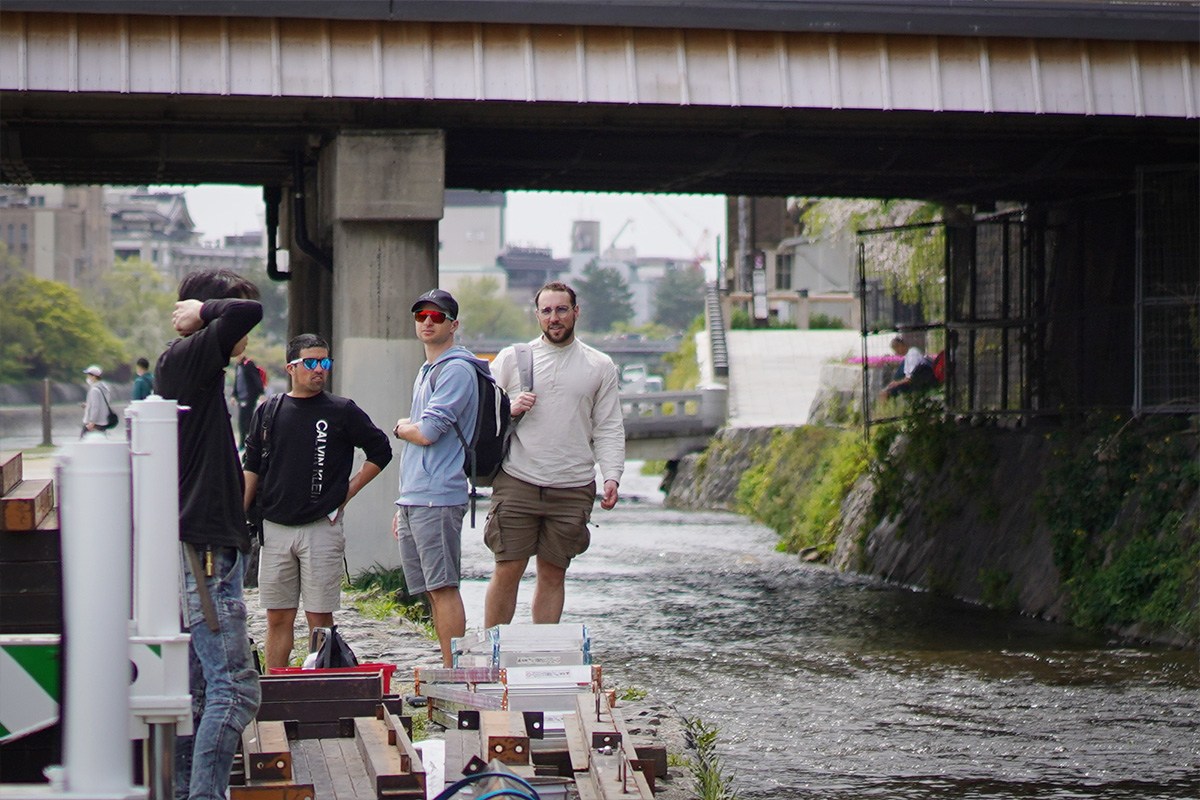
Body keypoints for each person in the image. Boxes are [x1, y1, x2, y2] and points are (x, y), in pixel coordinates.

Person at [155, 268, 263, 800]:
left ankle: (184, 792)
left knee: (200, 690)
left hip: (207, 542)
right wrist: (206, 312)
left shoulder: (190, 366)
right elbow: (245, 312)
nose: (247, 336)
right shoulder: (191, 356)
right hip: (208, 548)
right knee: (236, 690)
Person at [242, 334, 393, 670]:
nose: (319, 369)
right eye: (311, 363)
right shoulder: (269, 411)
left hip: (320, 528)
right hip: (275, 528)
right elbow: (251, 465)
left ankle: (320, 686)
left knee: (320, 620)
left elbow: (381, 450)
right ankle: (275, 689)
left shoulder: (341, 410)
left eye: (325, 362)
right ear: (292, 368)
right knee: (278, 618)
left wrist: (347, 493)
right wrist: (238, 517)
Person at [482, 281, 625, 628]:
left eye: (561, 310)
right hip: (519, 479)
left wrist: (612, 476)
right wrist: (510, 408)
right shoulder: (513, 359)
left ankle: (543, 655)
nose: (554, 318)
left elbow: (608, 426)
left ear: (576, 313)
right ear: (537, 316)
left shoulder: (599, 365)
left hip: (573, 486)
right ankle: (492, 652)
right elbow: (482, 414)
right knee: (508, 567)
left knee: (553, 572)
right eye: (546, 311)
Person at [392, 289, 485, 667]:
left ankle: (455, 673)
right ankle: (450, 667)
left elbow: (428, 432)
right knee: (431, 590)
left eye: (437, 316)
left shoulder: (457, 369)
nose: (428, 321)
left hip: (439, 495)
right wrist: (403, 501)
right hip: (417, 496)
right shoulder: (427, 369)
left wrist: (400, 428)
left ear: (454, 324)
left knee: (444, 587)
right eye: (421, 316)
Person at [233, 353, 266, 449]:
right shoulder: (239, 366)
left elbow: (256, 379)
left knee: (246, 419)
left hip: (249, 396)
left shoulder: (249, 364)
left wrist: (260, 393)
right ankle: (243, 442)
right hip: (241, 397)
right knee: (242, 419)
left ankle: (250, 441)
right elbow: (237, 382)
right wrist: (234, 395)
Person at [80, 364, 113, 437]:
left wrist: (92, 421)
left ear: (94, 377)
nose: (87, 378)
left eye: (88, 376)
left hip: (94, 423)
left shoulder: (94, 390)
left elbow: (96, 407)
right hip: (103, 421)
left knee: (83, 443)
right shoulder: (105, 388)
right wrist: (88, 405)